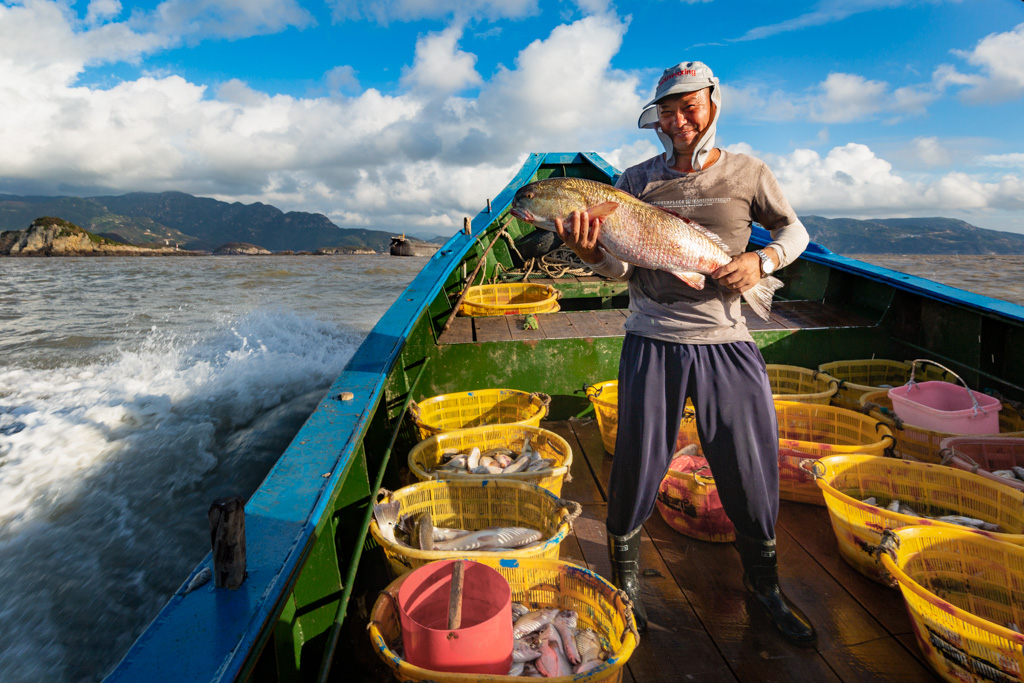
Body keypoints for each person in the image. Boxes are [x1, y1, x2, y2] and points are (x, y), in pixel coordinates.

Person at [554, 61, 816, 644]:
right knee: (638, 463)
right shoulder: (633, 179)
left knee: (748, 463)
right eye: (667, 111)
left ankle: (763, 585)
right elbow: (619, 267)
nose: (678, 121)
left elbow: (793, 231)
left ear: (713, 104)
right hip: (652, 336)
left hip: (728, 339)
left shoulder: (749, 171)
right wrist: (586, 252)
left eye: (688, 106)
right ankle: (626, 584)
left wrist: (762, 261)